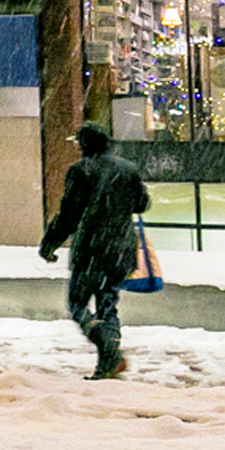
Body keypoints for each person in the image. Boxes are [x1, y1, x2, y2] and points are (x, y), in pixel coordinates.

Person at [39, 122, 149, 380]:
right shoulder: (127, 169)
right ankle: (107, 363)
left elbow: (69, 214)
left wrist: (50, 243)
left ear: (85, 145)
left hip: (91, 250)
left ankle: (107, 348)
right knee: (108, 304)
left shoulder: (81, 171)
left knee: (77, 303)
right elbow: (142, 204)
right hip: (120, 249)